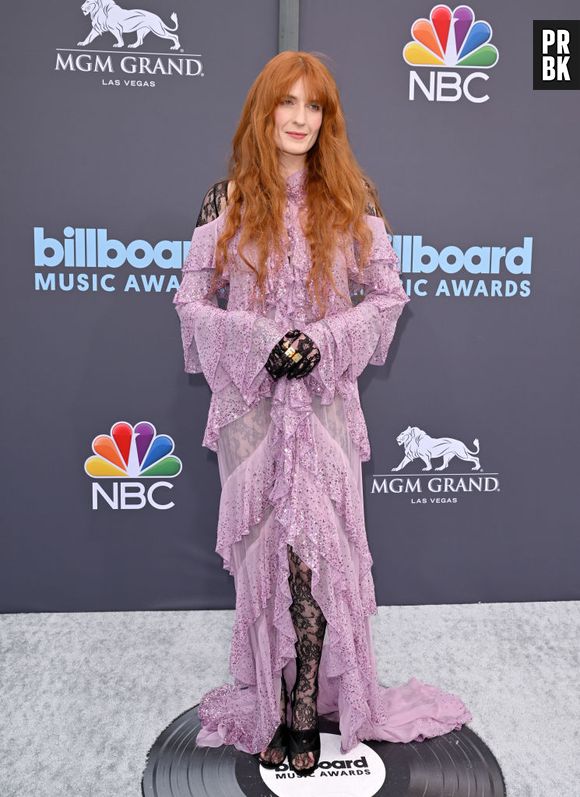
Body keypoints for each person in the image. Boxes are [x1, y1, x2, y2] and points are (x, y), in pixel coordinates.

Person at [173, 50, 472, 777]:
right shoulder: (225, 201)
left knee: (312, 561)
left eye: (315, 106)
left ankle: (305, 705)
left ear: (326, 118)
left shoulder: (353, 198)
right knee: (264, 559)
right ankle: (271, 697)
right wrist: (259, 339)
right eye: (288, 104)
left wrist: (325, 339)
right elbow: (190, 303)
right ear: (264, 112)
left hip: (326, 409)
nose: (301, 118)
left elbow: (387, 295)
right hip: (250, 412)